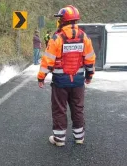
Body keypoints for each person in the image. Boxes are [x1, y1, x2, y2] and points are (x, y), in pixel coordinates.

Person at [37, 5, 96, 147]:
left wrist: (41, 77)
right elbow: (90, 59)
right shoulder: (84, 37)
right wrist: (89, 75)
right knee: (78, 108)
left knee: (59, 109)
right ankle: (79, 138)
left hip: (60, 82)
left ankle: (59, 139)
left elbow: (48, 60)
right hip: (78, 81)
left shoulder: (57, 38)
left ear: (63, 20)